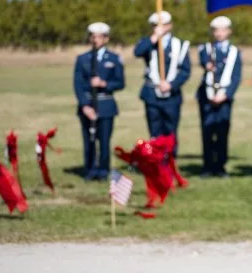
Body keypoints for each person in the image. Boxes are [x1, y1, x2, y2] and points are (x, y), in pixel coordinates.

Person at [133, 10, 191, 155]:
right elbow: (138, 52)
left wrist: (171, 84)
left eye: (162, 25)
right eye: (155, 26)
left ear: (169, 26)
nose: (159, 28)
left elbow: (185, 70)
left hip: (171, 95)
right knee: (155, 130)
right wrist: (154, 37)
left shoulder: (180, 45)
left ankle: (170, 160)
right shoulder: (147, 43)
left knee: (170, 130)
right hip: (152, 94)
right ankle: (156, 161)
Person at [73, 22, 125, 181]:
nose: (95, 40)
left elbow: (120, 82)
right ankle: (89, 170)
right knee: (88, 141)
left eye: (99, 37)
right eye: (93, 36)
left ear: (106, 38)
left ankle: (103, 170)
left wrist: (104, 84)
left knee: (104, 141)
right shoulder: (82, 59)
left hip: (105, 105)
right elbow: (78, 84)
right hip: (88, 105)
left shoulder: (114, 59)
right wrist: (84, 106)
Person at [197, 15, 243, 177]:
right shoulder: (206, 49)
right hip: (207, 97)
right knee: (207, 132)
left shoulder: (234, 52)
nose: (219, 33)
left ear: (229, 31)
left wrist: (226, 94)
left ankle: (220, 165)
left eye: (223, 30)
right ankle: (208, 166)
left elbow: (236, 77)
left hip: (224, 98)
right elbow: (204, 62)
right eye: (216, 30)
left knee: (222, 132)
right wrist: (207, 64)